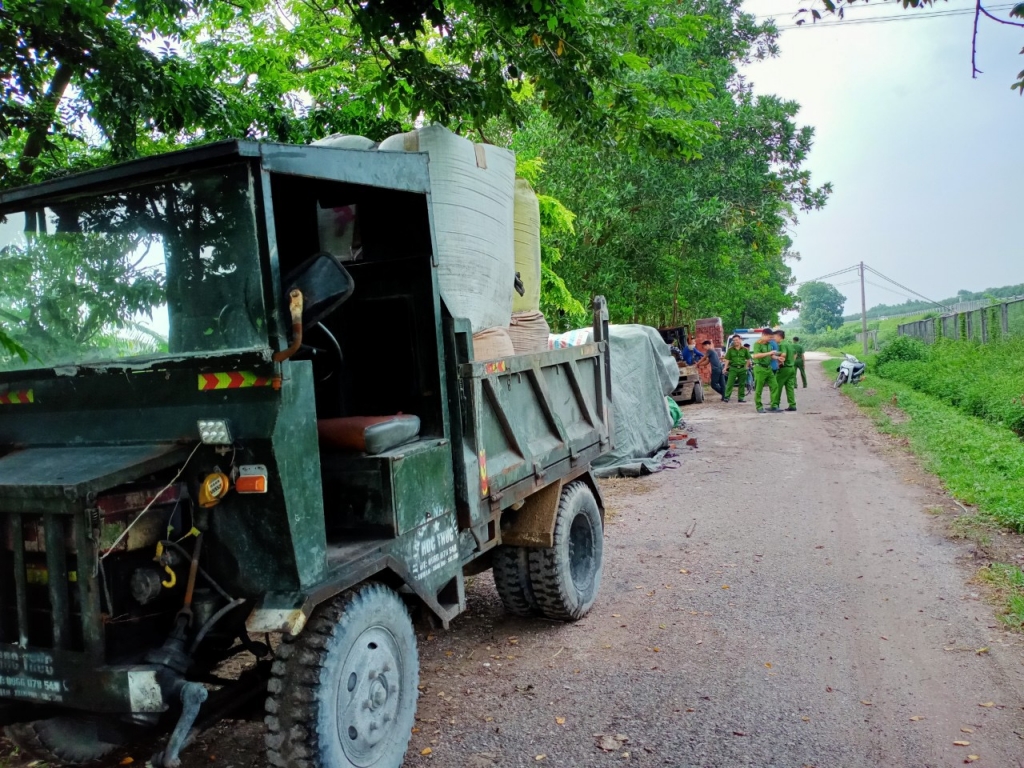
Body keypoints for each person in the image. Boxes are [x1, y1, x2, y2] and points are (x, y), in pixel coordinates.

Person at [751, 327, 779, 413]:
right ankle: (759, 406)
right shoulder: (757, 344)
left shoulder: (769, 344)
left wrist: (778, 358)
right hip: (760, 368)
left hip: (768, 368)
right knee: (759, 389)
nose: (770, 339)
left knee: (775, 386)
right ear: (763, 335)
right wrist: (769, 353)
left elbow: (771, 355)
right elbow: (756, 355)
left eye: (771, 337)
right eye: (769, 337)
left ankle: (774, 405)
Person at [773, 328, 797, 411]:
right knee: (789, 387)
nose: (774, 339)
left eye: (775, 337)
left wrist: (779, 361)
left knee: (777, 386)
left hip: (784, 369)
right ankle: (792, 405)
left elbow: (783, 354)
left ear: (779, 336)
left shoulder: (782, 344)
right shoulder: (789, 344)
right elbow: (795, 354)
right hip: (791, 368)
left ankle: (775, 404)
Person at [721, 335, 751, 403]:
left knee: (742, 384)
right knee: (730, 383)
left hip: (742, 368)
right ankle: (727, 397)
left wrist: (746, 367)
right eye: (734, 340)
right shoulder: (730, 350)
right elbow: (727, 359)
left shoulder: (745, 349)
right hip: (733, 368)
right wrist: (725, 368)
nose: (735, 341)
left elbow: (748, 359)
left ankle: (741, 398)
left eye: (736, 340)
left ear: (740, 340)